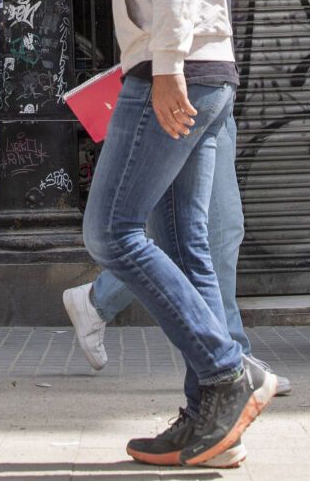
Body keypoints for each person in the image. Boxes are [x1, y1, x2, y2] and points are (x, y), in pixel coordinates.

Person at [80, 0, 274, 470]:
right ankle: (209, 420)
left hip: (180, 67)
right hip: (207, 65)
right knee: (184, 241)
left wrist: (165, 67)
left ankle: (227, 371)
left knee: (111, 231)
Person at [63, 111, 294, 396]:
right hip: (178, 97)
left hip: (215, 95)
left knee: (205, 231)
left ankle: (98, 300)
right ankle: (232, 358)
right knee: (198, 235)